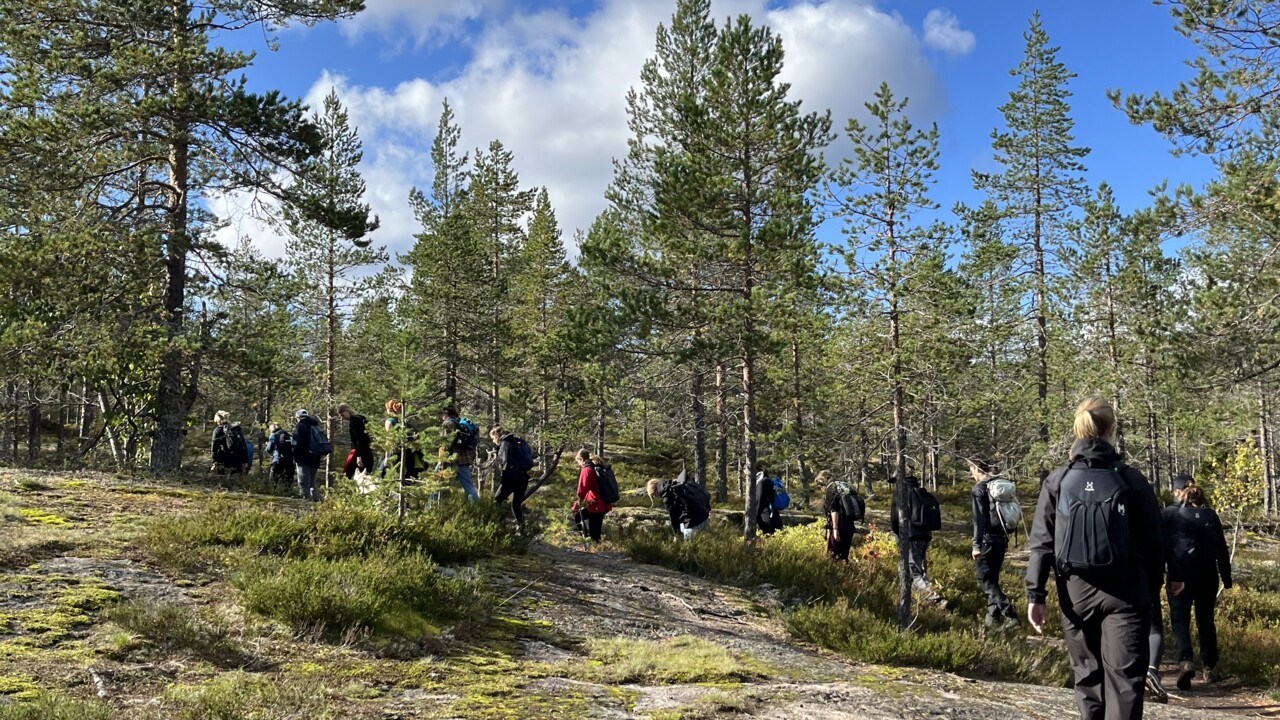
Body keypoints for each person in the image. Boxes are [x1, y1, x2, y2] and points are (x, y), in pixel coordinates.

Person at [1026, 397, 1164, 720]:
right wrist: (1151, 590)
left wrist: (1036, 594)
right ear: (1111, 428)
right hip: (1126, 596)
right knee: (1125, 683)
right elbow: (1155, 544)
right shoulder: (1131, 480)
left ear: (1078, 428)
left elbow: (1041, 543)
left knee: (1087, 678)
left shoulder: (1058, 480)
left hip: (1075, 596)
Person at [1164, 473, 1231, 691]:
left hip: (1180, 577)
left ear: (1178, 491)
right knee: (1205, 621)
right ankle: (1210, 668)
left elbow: (1162, 548)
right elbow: (1221, 548)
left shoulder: (1171, 515)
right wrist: (1226, 578)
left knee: (1180, 621)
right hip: (1208, 577)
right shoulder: (1210, 514)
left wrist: (1162, 575)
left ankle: (1186, 661)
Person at [969, 458, 1019, 630]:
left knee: (985, 581)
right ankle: (992, 621)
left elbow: (979, 520)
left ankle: (1011, 616)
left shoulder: (979, 489)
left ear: (976, 468)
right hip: (1001, 539)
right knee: (993, 580)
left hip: (987, 541)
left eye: (971, 470)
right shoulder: (997, 486)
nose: (971, 474)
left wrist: (976, 546)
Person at [890, 472, 944, 605]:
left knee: (913, 570)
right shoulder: (922, 494)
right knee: (917, 567)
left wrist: (899, 536)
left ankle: (933, 597)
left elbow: (895, 520)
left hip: (910, 537)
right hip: (925, 536)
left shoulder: (902, 495)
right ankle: (919, 599)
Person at [490, 426, 532, 531]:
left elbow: (506, 461)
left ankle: (499, 526)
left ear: (496, 435)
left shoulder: (505, 442)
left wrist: (497, 458)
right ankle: (522, 527)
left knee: (497, 501)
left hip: (511, 477)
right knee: (516, 505)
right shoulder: (516, 441)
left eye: (492, 438)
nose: (493, 441)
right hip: (523, 477)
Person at [649, 471, 710, 540]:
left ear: (654, 491)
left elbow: (674, 518)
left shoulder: (667, 496)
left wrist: (677, 535)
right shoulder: (675, 484)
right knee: (706, 544)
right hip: (704, 517)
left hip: (692, 522)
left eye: (654, 496)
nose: (656, 497)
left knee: (689, 548)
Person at [572, 449, 612, 542]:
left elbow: (581, 491)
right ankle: (594, 545)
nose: (579, 464)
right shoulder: (595, 467)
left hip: (596, 505)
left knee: (578, 517)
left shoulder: (586, 470)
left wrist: (575, 506)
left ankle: (588, 542)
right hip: (603, 504)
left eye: (578, 462)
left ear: (581, 459)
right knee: (596, 532)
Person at [819, 470, 860, 561]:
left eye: (820, 485)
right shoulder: (843, 487)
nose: (820, 488)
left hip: (839, 524)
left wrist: (835, 529)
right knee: (844, 554)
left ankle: (835, 573)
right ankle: (845, 571)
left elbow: (834, 510)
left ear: (823, 481)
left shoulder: (831, 490)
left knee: (833, 555)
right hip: (849, 523)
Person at [441, 406, 480, 502]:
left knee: (435, 484)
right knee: (468, 485)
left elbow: (445, 443)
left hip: (450, 458)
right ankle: (477, 509)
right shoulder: (461, 422)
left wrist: (443, 459)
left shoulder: (448, 423)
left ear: (446, 414)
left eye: (442, 414)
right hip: (464, 459)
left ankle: (432, 509)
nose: (441, 416)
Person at [291, 409, 328, 502]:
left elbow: (296, 444)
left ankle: (305, 503)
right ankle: (317, 502)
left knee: (303, 482)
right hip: (315, 459)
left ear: (298, 417)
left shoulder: (300, 426)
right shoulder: (315, 425)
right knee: (312, 482)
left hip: (303, 459)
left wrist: (294, 456)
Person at [338, 404, 374, 480]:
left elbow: (358, 439)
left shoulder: (354, 421)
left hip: (360, 451)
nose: (342, 418)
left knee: (348, 475)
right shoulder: (361, 418)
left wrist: (359, 456)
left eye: (342, 415)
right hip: (367, 450)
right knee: (367, 473)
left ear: (347, 411)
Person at [754, 466, 784, 536]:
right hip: (774, 516)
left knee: (768, 541)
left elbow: (760, 501)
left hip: (767, 519)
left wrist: (755, 517)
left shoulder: (762, 482)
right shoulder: (768, 480)